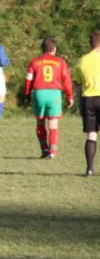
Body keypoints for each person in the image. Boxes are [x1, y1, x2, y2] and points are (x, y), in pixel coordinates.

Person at [24, 38, 73, 159]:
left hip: (39, 93)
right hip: (54, 94)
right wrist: (69, 96)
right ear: (54, 49)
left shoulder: (34, 62)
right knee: (53, 125)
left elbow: (28, 80)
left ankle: (44, 149)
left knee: (40, 123)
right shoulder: (60, 62)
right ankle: (52, 152)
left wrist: (27, 94)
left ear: (42, 49)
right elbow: (67, 80)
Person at [73, 31, 100, 177]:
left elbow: (77, 84)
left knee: (91, 134)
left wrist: (80, 101)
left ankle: (89, 169)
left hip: (88, 99)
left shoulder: (82, 60)